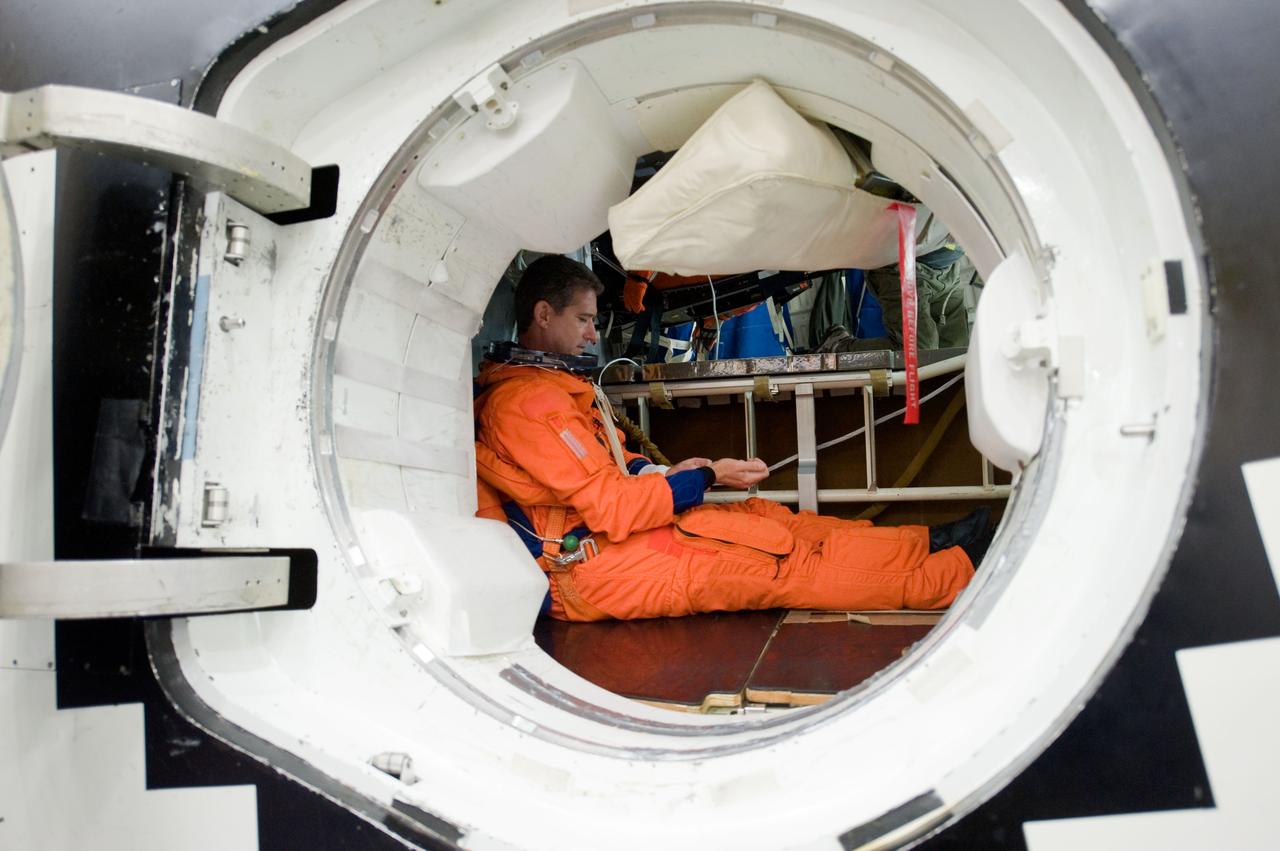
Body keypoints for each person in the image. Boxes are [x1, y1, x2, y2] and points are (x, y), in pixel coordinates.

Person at [474, 255, 988, 622]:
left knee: (773, 521)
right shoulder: (526, 404)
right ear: (544, 315)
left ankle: (931, 543)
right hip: (588, 568)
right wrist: (705, 476)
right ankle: (958, 575)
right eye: (584, 320)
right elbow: (609, 507)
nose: (592, 334)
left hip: (611, 540)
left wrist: (658, 473)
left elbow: (609, 468)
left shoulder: (548, 390)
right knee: (774, 563)